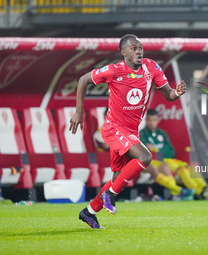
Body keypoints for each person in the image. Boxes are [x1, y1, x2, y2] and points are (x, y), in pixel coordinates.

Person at [69, 34, 186, 229]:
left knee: (117, 179)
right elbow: (83, 80)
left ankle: (89, 212)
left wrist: (177, 92)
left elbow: (169, 94)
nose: (139, 51)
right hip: (114, 129)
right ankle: (110, 195)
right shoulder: (114, 71)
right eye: (134, 48)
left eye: (140, 48)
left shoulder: (152, 67)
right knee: (145, 157)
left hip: (131, 131)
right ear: (123, 52)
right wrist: (79, 112)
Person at [139, 109, 208, 201]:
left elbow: (171, 152)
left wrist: (158, 150)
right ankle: (198, 192)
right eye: (149, 120)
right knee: (181, 170)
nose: (152, 123)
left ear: (158, 120)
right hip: (157, 161)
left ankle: (204, 188)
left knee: (189, 168)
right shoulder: (142, 134)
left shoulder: (162, 134)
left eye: (154, 120)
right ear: (146, 120)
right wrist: (159, 151)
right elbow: (149, 152)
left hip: (169, 159)